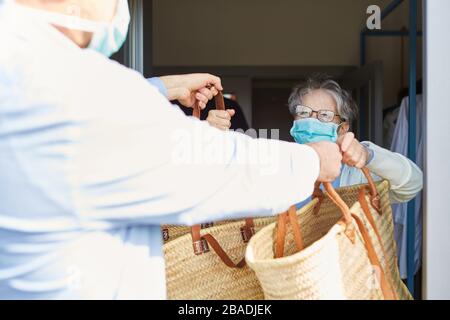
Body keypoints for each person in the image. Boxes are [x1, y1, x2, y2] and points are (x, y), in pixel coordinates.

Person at [0, 1, 342, 299]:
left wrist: (164, 87)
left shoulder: (21, 62)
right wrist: (313, 161)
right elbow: (214, 167)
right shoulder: (72, 87)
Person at [287, 75, 423, 206]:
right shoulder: (282, 164)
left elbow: (412, 184)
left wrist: (368, 156)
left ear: (343, 128)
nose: (312, 121)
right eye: (304, 113)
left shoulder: (357, 175)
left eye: (324, 115)